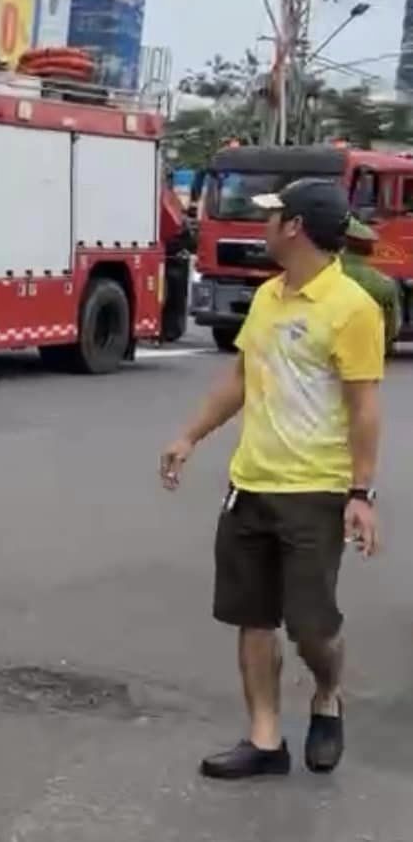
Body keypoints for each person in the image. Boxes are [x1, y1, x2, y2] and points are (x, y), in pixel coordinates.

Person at [160, 178, 383, 780]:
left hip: (315, 490)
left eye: (273, 215)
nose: (264, 225)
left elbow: (365, 407)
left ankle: (327, 696)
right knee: (252, 616)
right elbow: (241, 376)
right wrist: (190, 435)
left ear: (295, 228)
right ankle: (265, 740)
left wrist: (361, 494)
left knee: (313, 628)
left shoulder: (352, 309)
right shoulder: (267, 297)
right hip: (250, 485)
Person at [340, 216, 400, 350]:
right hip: (368, 354)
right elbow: (392, 328)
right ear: (370, 250)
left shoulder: (323, 275)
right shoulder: (384, 283)